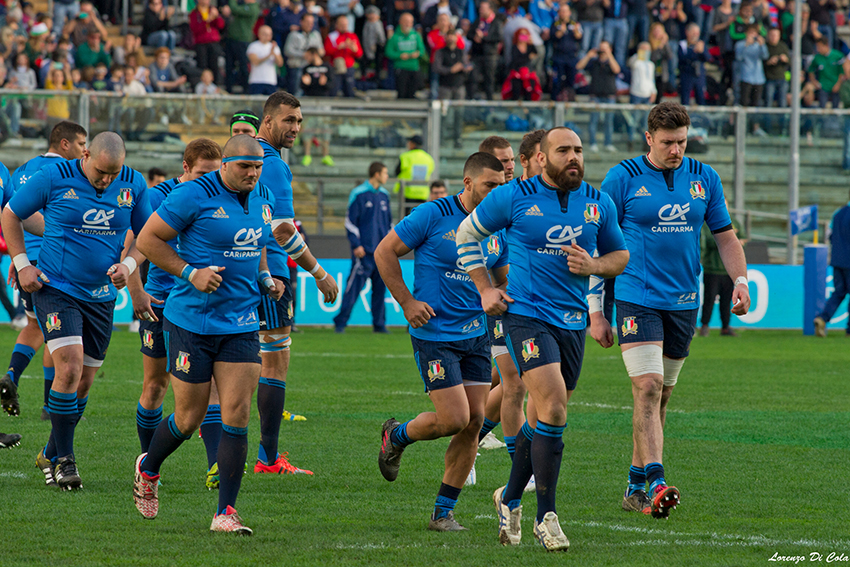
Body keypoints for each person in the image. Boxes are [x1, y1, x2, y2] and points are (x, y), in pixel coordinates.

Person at [455, 127, 628, 550]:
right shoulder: (513, 196)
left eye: (579, 150)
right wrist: (485, 289)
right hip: (526, 316)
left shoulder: (599, 203)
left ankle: (509, 496)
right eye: (563, 150)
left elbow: (620, 256)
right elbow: (466, 235)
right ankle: (545, 517)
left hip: (572, 323)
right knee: (553, 406)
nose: (574, 157)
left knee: (542, 418)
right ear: (542, 157)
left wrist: (595, 266)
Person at [592, 102, 750, 519]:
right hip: (635, 297)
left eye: (682, 141)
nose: (676, 149)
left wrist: (741, 280)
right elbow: (598, 244)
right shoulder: (622, 178)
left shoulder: (705, 178)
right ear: (649, 138)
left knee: (660, 396)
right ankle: (657, 482)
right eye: (667, 142)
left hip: (684, 302)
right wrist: (596, 310)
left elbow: (725, 237)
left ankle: (635, 485)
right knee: (647, 386)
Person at [132, 135, 280, 534]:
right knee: (188, 417)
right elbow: (147, 239)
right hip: (190, 322)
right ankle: (148, 469)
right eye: (244, 166)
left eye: (258, 167)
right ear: (225, 164)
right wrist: (190, 273)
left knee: (237, 413)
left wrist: (265, 277)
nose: (252, 173)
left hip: (241, 322)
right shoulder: (192, 195)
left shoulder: (264, 197)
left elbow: (258, 242)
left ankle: (225, 513)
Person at [2, 132, 151, 491]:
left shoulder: (134, 184)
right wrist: (22, 263)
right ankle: (66, 461)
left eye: (113, 174)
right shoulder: (54, 176)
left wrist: (129, 265)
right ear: (85, 155)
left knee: (83, 383)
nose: (106, 180)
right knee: (68, 367)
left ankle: (49, 452)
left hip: (101, 297)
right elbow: (10, 214)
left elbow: (148, 236)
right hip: (56, 288)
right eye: (100, 172)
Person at [375, 151, 508, 532]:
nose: (497, 193)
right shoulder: (433, 215)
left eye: (502, 186)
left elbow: (503, 278)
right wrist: (407, 302)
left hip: (476, 335)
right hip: (435, 335)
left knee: (474, 422)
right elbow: (385, 251)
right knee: (454, 419)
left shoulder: (499, 227)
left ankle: (442, 513)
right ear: (468, 183)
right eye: (490, 185)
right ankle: (396, 434)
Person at [253, 91, 339, 475]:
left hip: (243, 266)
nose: (296, 128)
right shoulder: (271, 164)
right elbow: (283, 230)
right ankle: (268, 458)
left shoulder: (246, 156)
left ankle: (222, 451)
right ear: (268, 120)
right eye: (289, 120)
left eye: (300, 121)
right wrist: (319, 273)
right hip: (269, 272)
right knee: (274, 361)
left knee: (239, 360)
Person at [127, 139, 222, 474]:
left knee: (210, 387)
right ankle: (147, 463)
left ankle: (215, 466)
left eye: (215, 173)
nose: (209, 180)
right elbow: (135, 244)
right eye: (202, 173)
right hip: (161, 300)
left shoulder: (221, 196)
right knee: (156, 385)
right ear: (185, 167)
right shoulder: (158, 196)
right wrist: (136, 291)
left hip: (199, 304)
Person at [0, 121, 87, 421]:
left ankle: (12, 375)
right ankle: (52, 405)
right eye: (81, 144)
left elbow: (13, 214)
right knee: (58, 331)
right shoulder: (69, 172)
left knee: (36, 325)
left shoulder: (20, 169)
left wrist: (19, 258)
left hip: (27, 258)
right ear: (64, 144)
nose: (84, 151)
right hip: (56, 261)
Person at [334, 162, 392, 333]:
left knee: (380, 291)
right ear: (376, 174)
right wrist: (356, 244)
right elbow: (350, 222)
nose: (387, 176)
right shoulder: (358, 193)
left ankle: (379, 325)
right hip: (363, 252)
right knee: (353, 289)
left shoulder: (385, 195)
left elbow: (389, 224)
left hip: (381, 254)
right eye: (385, 173)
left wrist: (389, 247)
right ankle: (340, 322)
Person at [699, 207, 745, 337]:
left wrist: (731, 240)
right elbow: (709, 241)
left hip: (728, 270)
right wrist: (728, 239)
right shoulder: (706, 222)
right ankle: (704, 326)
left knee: (727, 300)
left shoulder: (733, 220)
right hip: (712, 268)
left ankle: (725, 327)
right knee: (709, 299)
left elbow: (743, 239)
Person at [814, 194, 850, 337]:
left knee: (839, 292)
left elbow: (829, 235)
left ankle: (822, 318)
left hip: (837, 260)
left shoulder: (837, 213)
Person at [578, 41, 620, 153]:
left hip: (609, 96)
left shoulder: (611, 62)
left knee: (609, 121)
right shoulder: (594, 62)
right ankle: (593, 143)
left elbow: (617, 70)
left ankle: (608, 143)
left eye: (605, 48)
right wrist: (588, 55)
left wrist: (609, 54)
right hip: (595, 95)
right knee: (593, 120)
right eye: (601, 48)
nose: (602, 51)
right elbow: (579, 66)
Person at [223, 0, 261, 93]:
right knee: (229, 65)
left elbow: (234, 9)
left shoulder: (253, 8)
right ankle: (229, 88)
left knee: (243, 65)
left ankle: (246, 89)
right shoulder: (243, 5)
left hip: (242, 40)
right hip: (232, 39)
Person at [385, 12, 426, 99]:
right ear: (400, 22)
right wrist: (400, 55)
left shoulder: (416, 36)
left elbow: (422, 50)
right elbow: (388, 52)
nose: (408, 24)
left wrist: (418, 53)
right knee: (402, 93)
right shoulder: (394, 37)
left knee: (412, 93)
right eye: (406, 21)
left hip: (414, 67)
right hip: (401, 68)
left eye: (410, 22)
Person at [467, 0, 503, 100]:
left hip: (490, 56)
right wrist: (475, 37)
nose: (480, 10)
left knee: (489, 80)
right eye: (480, 8)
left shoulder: (496, 22)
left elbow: (498, 37)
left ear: (490, 10)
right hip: (477, 55)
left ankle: (490, 101)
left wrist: (483, 37)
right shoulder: (478, 21)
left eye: (483, 8)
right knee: (473, 78)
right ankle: (471, 100)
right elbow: (469, 34)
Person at [283, 12, 323, 95]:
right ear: (301, 22)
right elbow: (288, 51)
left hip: (311, 68)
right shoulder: (294, 34)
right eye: (307, 22)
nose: (310, 25)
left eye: (311, 23)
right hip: (297, 67)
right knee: (295, 92)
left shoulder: (316, 35)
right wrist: (303, 54)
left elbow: (321, 50)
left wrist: (314, 54)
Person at [394, 134, 435, 214]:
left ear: (413, 144)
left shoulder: (405, 156)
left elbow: (397, 172)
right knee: (421, 217)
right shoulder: (428, 158)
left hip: (407, 192)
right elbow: (430, 171)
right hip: (422, 193)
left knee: (404, 217)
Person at [324, 15, 362, 97]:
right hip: (336, 66)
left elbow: (359, 54)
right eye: (341, 25)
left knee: (350, 91)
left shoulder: (352, 36)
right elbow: (326, 51)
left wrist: (354, 49)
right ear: (336, 25)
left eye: (345, 25)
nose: (344, 27)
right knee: (334, 90)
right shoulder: (332, 36)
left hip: (349, 66)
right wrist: (338, 48)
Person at [189, 0, 226, 87]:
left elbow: (221, 25)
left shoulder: (212, 10)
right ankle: (202, 86)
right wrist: (207, 20)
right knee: (202, 65)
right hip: (201, 43)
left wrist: (216, 16)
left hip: (213, 42)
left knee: (214, 65)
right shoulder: (194, 13)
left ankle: (215, 86)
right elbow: (195, 29)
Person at [247, 25, 283, 96]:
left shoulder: (274, 47)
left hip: (271, 81)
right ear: (259, 34)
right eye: (265, 34)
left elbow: (280, 63)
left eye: (269, 34)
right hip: (256, 80)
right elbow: (255, 62)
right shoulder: (253, 46)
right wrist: (269, 55)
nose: (268, 37)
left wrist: (274, 53)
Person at [679, 22, 709, 106]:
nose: (695, 35)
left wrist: (702, 51)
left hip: (699, 74)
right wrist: (694, 51)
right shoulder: (683, 44)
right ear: (687, 32)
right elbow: (681, 58)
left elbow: (708, 58)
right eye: (693, 33)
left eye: (697, 33)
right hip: (687, 74)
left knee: (701, 98)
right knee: (685, 99)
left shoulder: (701, 44)